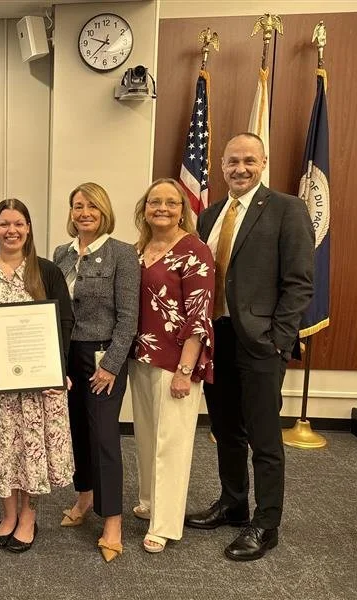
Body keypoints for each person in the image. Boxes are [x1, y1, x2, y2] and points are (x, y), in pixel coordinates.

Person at [185, 133, 314, 561]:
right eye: (232, 162)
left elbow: (298, 283)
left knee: (264, 437)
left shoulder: (287, 209)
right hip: (216, 339)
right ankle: (234, 503)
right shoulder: (211, 215)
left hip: (260, 344)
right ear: (221, 167)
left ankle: (267, 523)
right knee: (225, 429)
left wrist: (278, 341)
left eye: (249, 161)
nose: (240, 169)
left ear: (263, 162)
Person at [0, 198, 74, 554]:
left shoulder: (47, 271)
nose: (12, 230)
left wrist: (58, 366)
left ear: (28, 228)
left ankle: (28, 517)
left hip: (37, 382)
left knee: (30, 450)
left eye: (19, 223)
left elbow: (64, 322)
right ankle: (8, 515)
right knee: (2, 449)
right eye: (5, 224)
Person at [52, 183, 139, 562]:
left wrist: (111, 365)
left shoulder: (122, 253)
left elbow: (129, 317)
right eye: (77, 206)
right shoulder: (61, 254)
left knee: (104, 436)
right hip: (66, 355)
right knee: (75, 431)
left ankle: (113, 520)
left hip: (103, 355)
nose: (84, 212)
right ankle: (84, 495)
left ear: (104, 211)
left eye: (91, 206)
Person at [128, 178, 215, 553]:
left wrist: (184, 370)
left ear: (184, 209)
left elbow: (199, 316)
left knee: (172, 443)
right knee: (146, 436)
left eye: (170, 202)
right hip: (140, 355)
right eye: (154, 202)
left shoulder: (195, 251)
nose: (161, 208)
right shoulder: (138, 248)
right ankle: (149, 502)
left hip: (175, 362)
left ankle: (165, 523)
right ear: (144, 209)